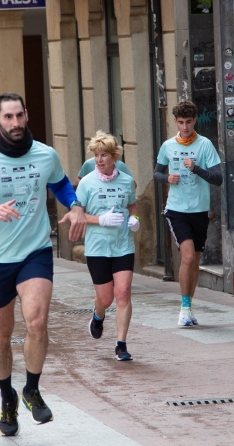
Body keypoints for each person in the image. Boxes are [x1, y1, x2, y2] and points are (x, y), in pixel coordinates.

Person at [0, 92, 86, 437]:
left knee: (37, 322)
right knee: (1, 335)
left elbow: (61, 185)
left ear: (26, 116)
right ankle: (7, 395)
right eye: (6, 118)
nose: (14, 123)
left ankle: (32, 389)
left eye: (18, 116)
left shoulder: (45, 155)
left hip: (34, 252)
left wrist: (76, 205)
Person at [153, 101, 222, 327]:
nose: (185, 127)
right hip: (176, 209)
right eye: (181, 122)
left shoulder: (205, 145)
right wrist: (167, 178)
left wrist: (195, 168)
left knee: (195, 262)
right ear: (175, 122)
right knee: (188, 256)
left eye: (189, 122)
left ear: (195, 121)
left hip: (199, 209)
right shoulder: (168, 146)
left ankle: (189, 306)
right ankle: (183, 308)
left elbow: (218, 179)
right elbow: (157, 174)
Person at [76, 131, 139, 361]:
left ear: (114, 157)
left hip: (123, 244)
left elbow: (132, 205)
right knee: (106, 298)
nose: (99, 160)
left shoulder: (125, 180)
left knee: (123, 293)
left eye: (104, 155)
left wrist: (135, 220)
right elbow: (77, 214)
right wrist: (100, 219)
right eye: (96, 155)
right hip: (98, 247)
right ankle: (98, 314)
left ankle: (121, 344)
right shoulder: (86, 184)